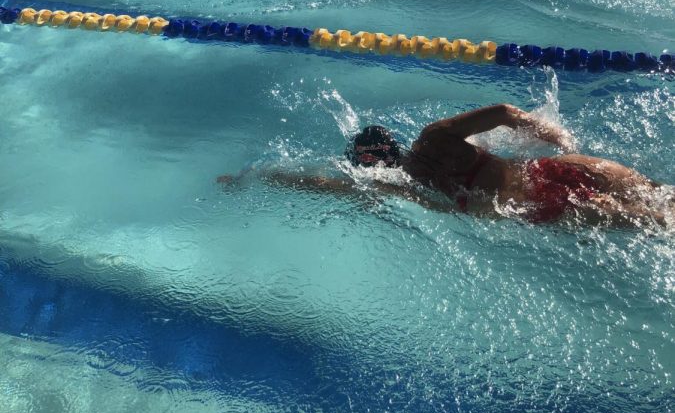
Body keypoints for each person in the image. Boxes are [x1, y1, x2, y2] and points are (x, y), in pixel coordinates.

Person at [219, 104, 673, 228]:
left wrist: (256, 176)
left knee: (658, 221)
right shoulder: (434, 136)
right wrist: (556, 138)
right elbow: (504, 112)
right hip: (551, 170)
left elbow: (323, 185)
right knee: (660, 195)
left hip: (539, 205)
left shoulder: (404, 189)